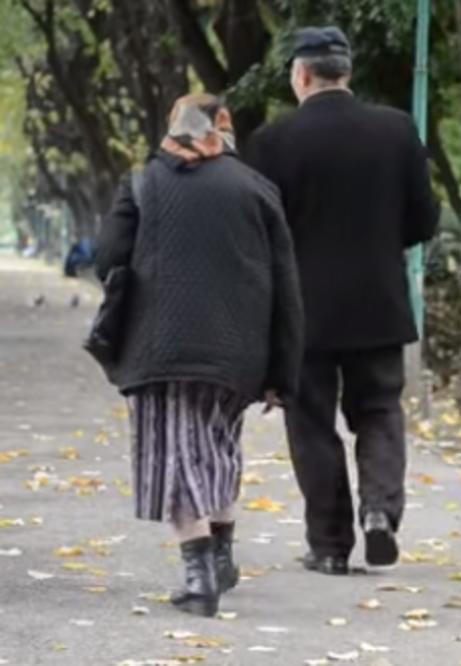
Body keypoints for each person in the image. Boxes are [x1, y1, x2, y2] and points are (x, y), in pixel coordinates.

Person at [95, 94, 304, 617]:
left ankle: (199, 575)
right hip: (239, 356)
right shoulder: (257, 189)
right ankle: (223, 557)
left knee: (176, 455)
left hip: (161, 349)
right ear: (224, 129)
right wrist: (282, 372)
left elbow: (107, 258)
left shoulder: (144, 183)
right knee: (218, 450)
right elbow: (286, 288)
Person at [246, 26, 438, 575]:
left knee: (310, 423)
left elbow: (258, 234)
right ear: (346, 72)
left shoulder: (272, 141)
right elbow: (423, 220)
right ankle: (379, 510)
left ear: (301, 75)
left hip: (303, 312)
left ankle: (329, 544)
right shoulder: (396, 130)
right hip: (378, 304)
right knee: (379, 410)